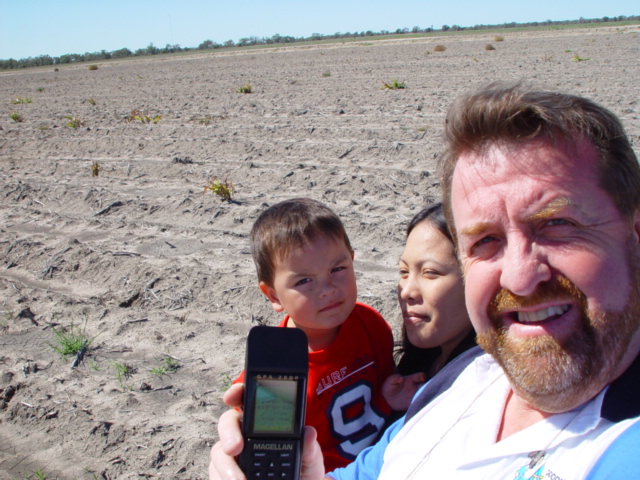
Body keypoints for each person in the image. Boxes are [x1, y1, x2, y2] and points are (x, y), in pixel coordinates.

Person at [209, 82, 640, 480]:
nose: (521, 278)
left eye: (557, 224)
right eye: (485, 240)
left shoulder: (619, 449)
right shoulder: (459, 379)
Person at [233, 197, 394, 473]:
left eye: (337, 269)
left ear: (352, 261)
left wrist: (389, 398)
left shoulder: (370, 323)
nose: (328, 289)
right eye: (304, 280)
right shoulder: (274, 375)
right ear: (273, 295)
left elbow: (381, 393)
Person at [382, 202, 475, 412]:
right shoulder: (421, 364)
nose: (406, 291)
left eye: (430, 272)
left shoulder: (477, 390)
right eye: (404, 272)